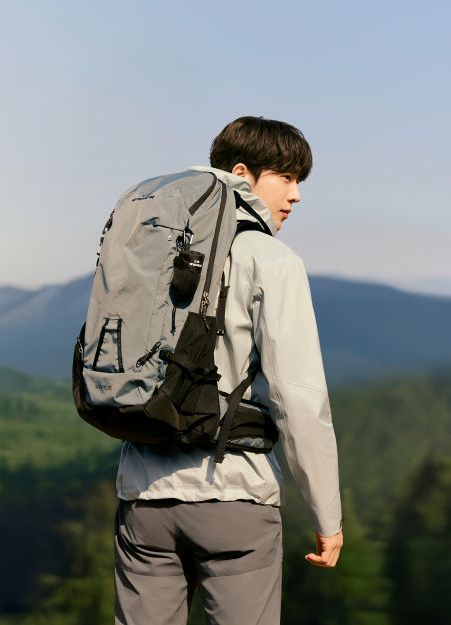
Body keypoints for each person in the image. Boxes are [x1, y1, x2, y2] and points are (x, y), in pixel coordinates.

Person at [114, 116, 343, 625]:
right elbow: (299, 398)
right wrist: (327, 515)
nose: (296, 194)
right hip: (234, 497)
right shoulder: (272, 259)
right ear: (241, 174)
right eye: (286, 177)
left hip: (142, 496)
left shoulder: (153, 250)